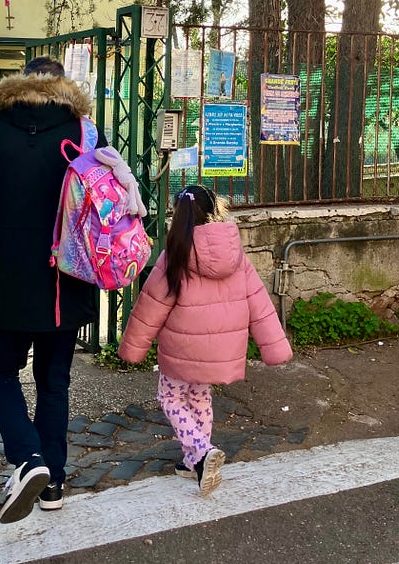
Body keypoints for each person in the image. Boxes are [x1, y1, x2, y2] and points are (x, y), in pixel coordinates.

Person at [0, 55, 108, 524]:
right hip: (65, 281)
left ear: (20, 83)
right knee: (54, 382)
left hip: (9, 280)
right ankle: (53, 483)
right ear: (64, 86)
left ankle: (29, 459)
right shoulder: (84, 133)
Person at [117, 183, 292, 495]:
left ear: (177, 214)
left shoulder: (176, 254)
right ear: (215, 209)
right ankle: (191, 461)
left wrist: (133, 347)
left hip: (181, 349)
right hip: (221, 349)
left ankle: (201, 451)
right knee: (199, 398)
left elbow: (151, 306)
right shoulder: (235, 252)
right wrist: (275, 346)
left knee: (171, 399)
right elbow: (260, 302)